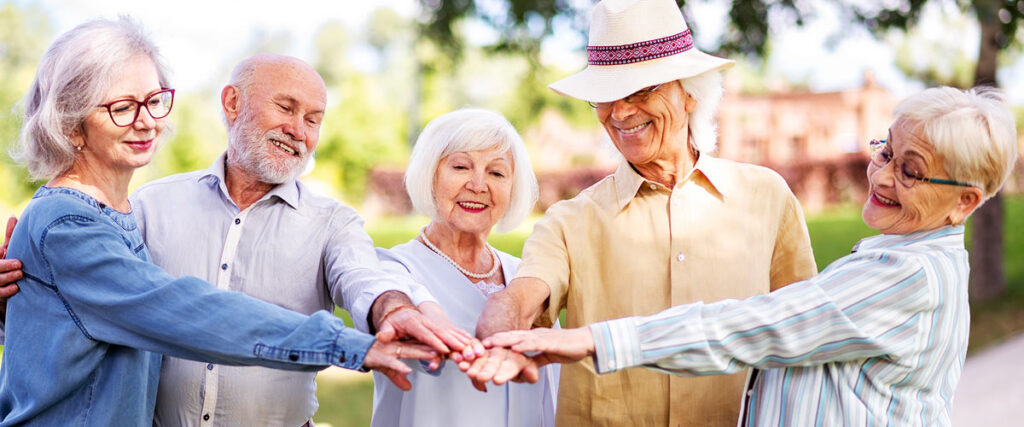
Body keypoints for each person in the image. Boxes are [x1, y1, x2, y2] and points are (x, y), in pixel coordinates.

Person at [0, 18, 447, 426]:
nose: (146, 121)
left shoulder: (116, 215)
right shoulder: (85, 220)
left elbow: (362, 274)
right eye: (121, 107)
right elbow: (180, 310)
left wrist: (22, 303)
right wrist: (350, 345)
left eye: (154, 101)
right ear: (72, 124)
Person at [486, 86, 1019, 427]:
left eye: (911, 169)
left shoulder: (904, 276)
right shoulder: (894, 259)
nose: (881, 175)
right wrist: (496, 330)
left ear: (965, 203)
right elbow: (527, 290)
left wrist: (587, 339)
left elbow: (763, 325)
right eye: (884, 151)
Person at [468, 0, 817, 425]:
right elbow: (523, 298)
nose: (619, 112)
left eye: (640, 91)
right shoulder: (568, 221)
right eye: (604, 97)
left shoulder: (766, 197)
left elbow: (806, 326)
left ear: (689, 93)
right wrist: (500, 328)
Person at [370, 109, 558, 427]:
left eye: (497, 173)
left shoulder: (527, 276)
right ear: (431, 175)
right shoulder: (392, 269)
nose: (478, 184)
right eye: (460, 167)